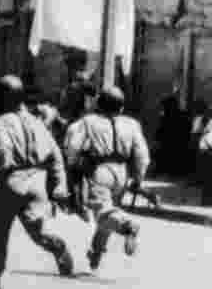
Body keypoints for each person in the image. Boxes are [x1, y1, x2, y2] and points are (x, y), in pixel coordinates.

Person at [0, 75, 75, 289]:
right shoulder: (38, 123)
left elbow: (2, 156)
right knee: (38, 231)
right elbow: (55, 156)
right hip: (37, 184)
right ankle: (57, 247)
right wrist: (59, 187)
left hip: (10, 184)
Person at [63, 85, 148, 271]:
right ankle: (97, 252)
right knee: (109, 211)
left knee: (102, 213)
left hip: (100, 170)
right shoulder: (132, 124)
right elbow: (142, 155)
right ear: (122, 107)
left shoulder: (89, 122)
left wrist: (73, 165)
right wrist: (138, 178)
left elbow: (73, 147)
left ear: (99, 104)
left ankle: (128, 225)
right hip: (122, 173)